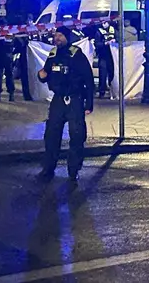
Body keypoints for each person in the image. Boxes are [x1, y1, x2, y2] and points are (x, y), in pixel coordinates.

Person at [37, 27, 95, 183]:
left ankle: (73, 170)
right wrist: (40, 76)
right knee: (51, 134)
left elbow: (88, 79)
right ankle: (48, 168)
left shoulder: (76, 54)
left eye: (60, 35)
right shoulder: (53, 54)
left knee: (77, 135)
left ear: (67, 37)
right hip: (58, 100)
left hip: (75, 99)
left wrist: (89, 103)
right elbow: (46, 73)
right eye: (56, 35)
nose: (57, 38)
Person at [95, 20, 116, 98]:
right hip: (103, 56)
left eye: (105, 23)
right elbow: (97, 44)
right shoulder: (99, 32)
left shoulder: (114, 30)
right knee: (102, 75)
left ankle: (112, 92)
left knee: (112, 74)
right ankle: (102, 92)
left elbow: (120, 39)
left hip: (112, 56)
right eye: (102, 23)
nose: (103, 24)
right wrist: (105, 43)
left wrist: (115, 41)